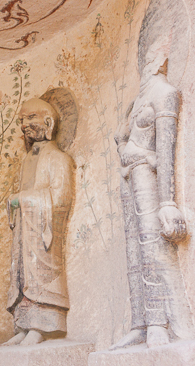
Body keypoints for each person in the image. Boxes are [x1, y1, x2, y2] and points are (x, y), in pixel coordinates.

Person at [111, 35, 195, 349]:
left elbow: (166, 150)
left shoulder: (165, 93)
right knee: (133, 251)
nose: (149, 61)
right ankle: (139, 323)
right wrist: (125, 150)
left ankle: (159, 322)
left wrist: (168, 202)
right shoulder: (136, 102)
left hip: (148, 178)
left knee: (152, 249)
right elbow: (120, 138)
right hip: (129, 177)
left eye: (154, 55)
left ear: (163, 60)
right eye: (145, 55)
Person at [3, 98, 74, 346]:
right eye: (22, 120)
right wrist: (18, 203)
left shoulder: (58, 158)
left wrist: (22, 199)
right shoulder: (26, 161)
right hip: (26, 229)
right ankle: (23, 325)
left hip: (44, 232)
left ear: (48, 121)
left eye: (31, 118)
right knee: (21, 272)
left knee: (39, 271)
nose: (25, 125)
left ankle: (43, 324)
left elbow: (61, 199)